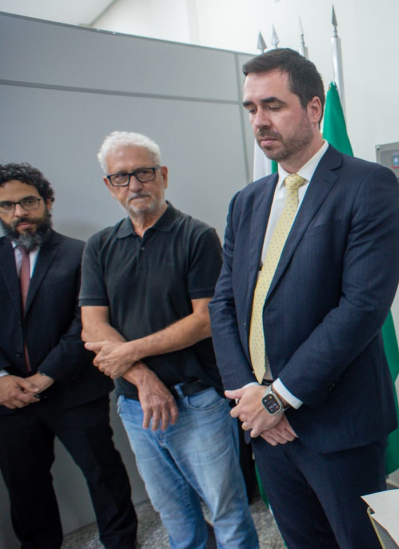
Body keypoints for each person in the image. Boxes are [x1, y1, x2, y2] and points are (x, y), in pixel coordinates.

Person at [209, 48, 399, 549]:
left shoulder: (368, 185)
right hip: (264, 425)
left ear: (315, 109)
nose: (260, 120)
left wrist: (280, 398)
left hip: (335, 427)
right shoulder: (247, 201)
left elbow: (361, 308)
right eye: (251, 108)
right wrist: (251, 397)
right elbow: (225, 305)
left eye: (273, 105)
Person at [80, 132, 259, 549]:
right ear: (109, 186)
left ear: (162, 176)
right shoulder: (100, 246)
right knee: (174, 515)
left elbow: (204, 321)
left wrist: (128, 351)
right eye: (121, 177)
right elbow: (92, 325)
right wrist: (142, 378)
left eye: (143, 173)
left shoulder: (197, 237)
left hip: (197, 402)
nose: (135, 185)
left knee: (226, 513)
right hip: (134, 406)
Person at [0, 163, 138, 549]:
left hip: (74, 390)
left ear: (46, 202)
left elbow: (86, 325)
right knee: (25, 486)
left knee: (103, 475)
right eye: (7, 205)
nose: (19, 213)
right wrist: (2, 378)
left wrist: (46, 376)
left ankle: (122, 542)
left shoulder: (81, 254)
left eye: (28, 201)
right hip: (9, 399)